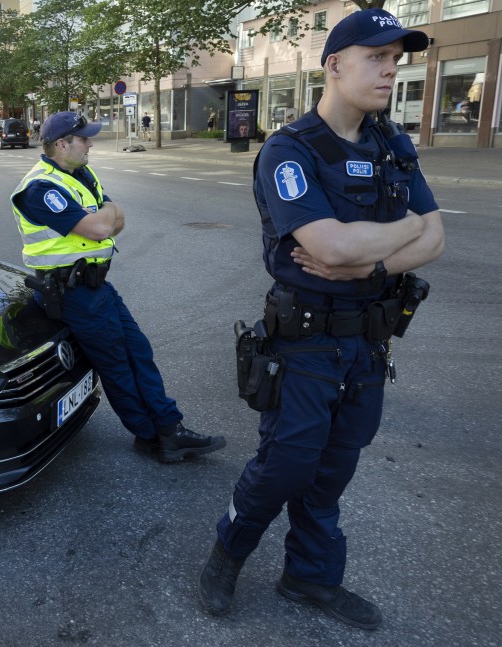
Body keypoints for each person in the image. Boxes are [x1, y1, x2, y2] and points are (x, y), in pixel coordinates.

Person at [198, 9, 444, 630]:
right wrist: (396, 235)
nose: (392, 69)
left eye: (398, 58)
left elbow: (434, 237)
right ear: (335, 65)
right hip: (304, 341)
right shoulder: (290, 149)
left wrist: (372, 263)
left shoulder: (393, 144)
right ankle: (228, 551)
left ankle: (309, 578)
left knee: (333, 469)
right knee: (286, 463)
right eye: (378, 57)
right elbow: (326, 248)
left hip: (368, 341)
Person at [10, 111, 226, 464]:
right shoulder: (40, 188)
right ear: (62, 144)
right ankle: (153, 435)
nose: (91, 144)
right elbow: (99, 228)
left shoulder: (79, 175)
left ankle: (167, 428)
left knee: (138, 351)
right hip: (72, 293)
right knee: (117, 365)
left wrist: (105, 215)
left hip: (96, 287)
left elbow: (116, 221)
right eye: (84, 139)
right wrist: (106, 215)